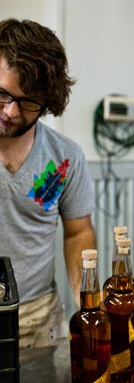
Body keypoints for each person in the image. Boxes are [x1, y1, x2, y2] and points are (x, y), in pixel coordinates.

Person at [0, 19, 96, 349]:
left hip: (37, 320)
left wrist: (89, 305)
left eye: (27, 102)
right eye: (2, 94)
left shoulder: (63, 159)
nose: (11, 111)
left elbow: (78, 232)